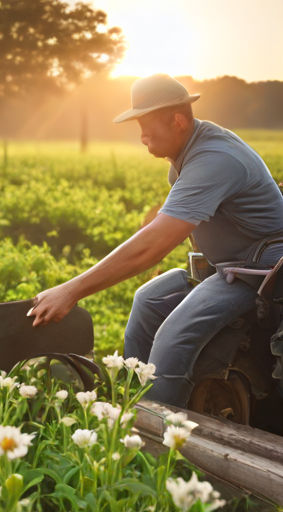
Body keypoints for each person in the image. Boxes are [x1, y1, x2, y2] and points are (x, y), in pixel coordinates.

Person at [27, 73, 283, 408]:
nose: (143, 136)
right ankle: (136, 406)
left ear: (178, 120)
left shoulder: (213, 160)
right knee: (148, 300)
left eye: (147, 126)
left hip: (260, 271)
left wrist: (71, 290)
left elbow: (155, 242)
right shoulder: (185, 155)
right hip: (227, 266)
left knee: (174, 338)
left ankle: (162, 437)